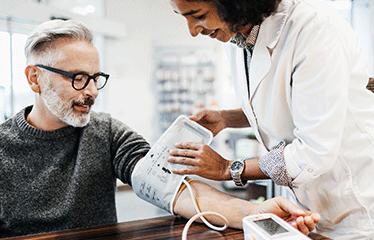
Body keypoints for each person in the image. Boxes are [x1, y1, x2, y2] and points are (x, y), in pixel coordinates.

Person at [0, 19, 320, 238]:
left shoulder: (106, 132)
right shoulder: (4, 147)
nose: (93, 91)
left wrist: (254, 211)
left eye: (96, 78)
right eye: (78, 78)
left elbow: (170, 185)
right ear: (34, 78)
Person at [167, 0, 374, 239]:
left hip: (359, 205)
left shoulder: (313, 28)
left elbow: (314, 151)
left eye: (198, 15)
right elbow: (282, 102)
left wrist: (229, 168)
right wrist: (226, 118)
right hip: (310, 205)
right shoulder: (237, 36)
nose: (193, 31)